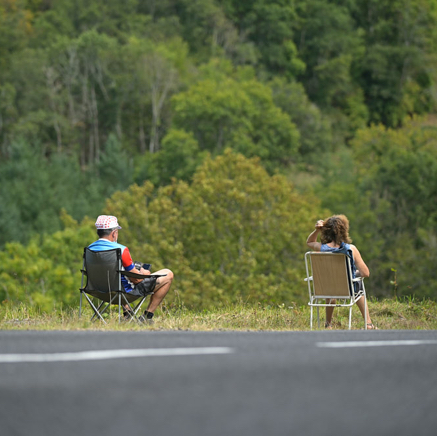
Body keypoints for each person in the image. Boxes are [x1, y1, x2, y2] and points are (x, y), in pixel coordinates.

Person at [88, 215, 174, 323]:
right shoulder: (121, 250)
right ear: (114, 233)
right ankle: (147, 317)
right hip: (123, 294)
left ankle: (128, 315)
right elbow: (136, 280)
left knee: (119, 276)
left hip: (98, 291)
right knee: (168, 274)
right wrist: (144, 273)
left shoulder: (89, 249)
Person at [306, 214, 377, 329]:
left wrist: (316, 231)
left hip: (325, 288)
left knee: (330, 286)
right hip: (346, 289)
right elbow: (365, 273)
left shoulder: (321, 248)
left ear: (326, 231)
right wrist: (355, 273)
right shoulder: (351, 249)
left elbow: (309, 242)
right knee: (358, 284)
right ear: (344, 231)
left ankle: (328, 324)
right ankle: (368, 323)